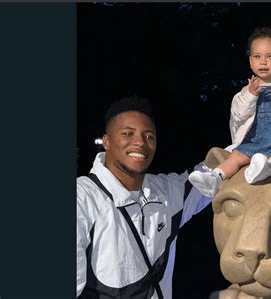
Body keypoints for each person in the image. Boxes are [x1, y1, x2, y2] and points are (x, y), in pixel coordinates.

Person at [76, 96, 211, 299]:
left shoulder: (164, 193)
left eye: (149, 136)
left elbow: (213, 173)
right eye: (128, 134)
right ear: (107, 142)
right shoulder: (82, 198)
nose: (140, 142)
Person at [189, 27, 271, 197]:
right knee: (237, 156)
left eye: (270, 56)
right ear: (251, 61)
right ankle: (215, 177)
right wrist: (250, 95)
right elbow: (238, 114)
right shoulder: (249, 88)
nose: (263, 62)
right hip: (257, 137)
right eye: (257, 56)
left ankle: (269, 167)